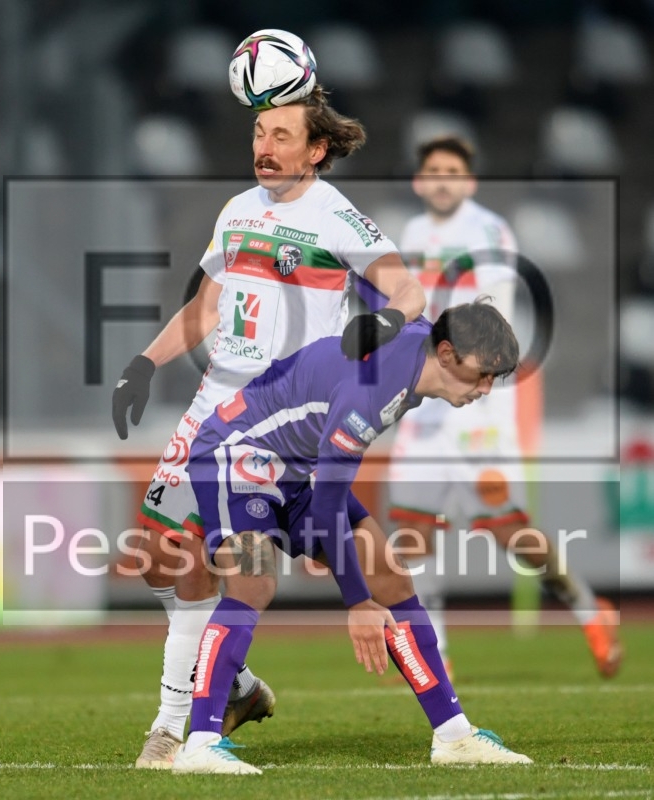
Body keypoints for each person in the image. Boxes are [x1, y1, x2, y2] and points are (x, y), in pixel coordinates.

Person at [112, 84, 426, 768]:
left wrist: (385, 321)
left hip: (275, 420)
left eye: (282, 135)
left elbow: (409, 290)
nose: (264, 146)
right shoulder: (237, 210)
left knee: (219, 568)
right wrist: (143, 363)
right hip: (212, 403)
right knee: (158, 556)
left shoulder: (336, 217)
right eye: (259, 133)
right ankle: (237, 685)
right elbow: (204, 308)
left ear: (316, 150)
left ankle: (170, 729)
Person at [171, 299, 533, 774]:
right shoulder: (371, 395)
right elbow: (327, 507)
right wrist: (358, 603)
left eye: (494, 378)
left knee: (391, 577)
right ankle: (199, 745)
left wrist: (391, 309)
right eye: (483, 374)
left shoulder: (421, 347)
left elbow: (403, 296)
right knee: (254, 581)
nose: (486, 388)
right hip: (235, 452)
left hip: (293, 466)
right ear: (446, 353)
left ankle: (454, 737)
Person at [385, 136, 622, 679]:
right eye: (433, 171)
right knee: (414, 529)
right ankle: (436, 651)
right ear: (419, 181)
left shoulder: (488, 232)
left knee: (509, 530)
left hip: (477, 405)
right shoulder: (412, 234)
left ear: (468, 181)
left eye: (452, 171)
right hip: (425, 400)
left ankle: (589, 606)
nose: (442, 180)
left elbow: (488, 318)